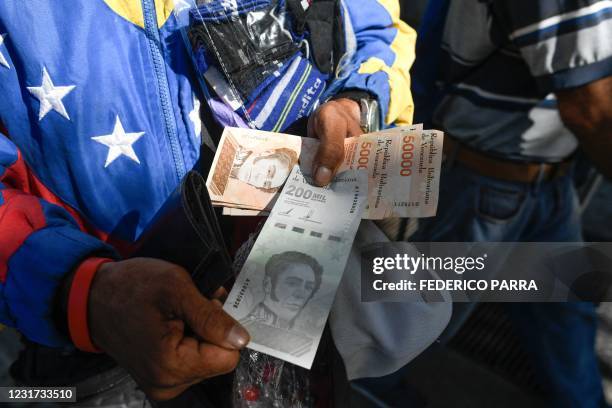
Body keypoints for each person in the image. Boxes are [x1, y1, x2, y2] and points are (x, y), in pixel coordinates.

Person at [0, 0, 416, 404]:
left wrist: (359, 101)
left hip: (306, 322)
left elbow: (376, 25)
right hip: (100, 360)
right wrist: (83, 292)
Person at [412, 0, 612, 406]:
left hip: (546, 183)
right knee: (411, 326)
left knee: (566, 320)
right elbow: (589, 109)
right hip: (485, 190)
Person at [243, 251, 323, 329]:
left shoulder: (302, 332)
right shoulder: (247, 326)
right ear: (267, 285)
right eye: (292, 283)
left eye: (309, 287)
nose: (301, 294)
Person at [231, 148, 299, 192]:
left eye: (265, 183)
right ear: (266, 154)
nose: (258, 178)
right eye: (269, 171)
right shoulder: (232, 148)